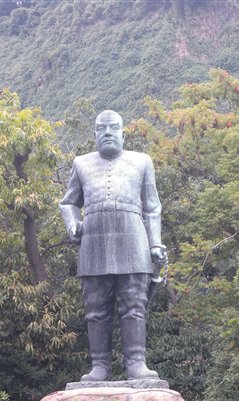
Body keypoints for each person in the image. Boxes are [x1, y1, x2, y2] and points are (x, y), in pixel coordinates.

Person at [60, 110, 167, 381]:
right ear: (95, 134)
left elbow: (153, 207)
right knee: (95, 306)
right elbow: (68, 203)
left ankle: (136, 363)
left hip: (133, 238)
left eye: (113, 128)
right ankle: (99, 366)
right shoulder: (81, 163)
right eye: (102, 128)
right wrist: (73, 225)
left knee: (134, 302)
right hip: (93, 240)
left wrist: (155, 244)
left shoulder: (141, 161)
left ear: (123, 133)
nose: (107, 132)